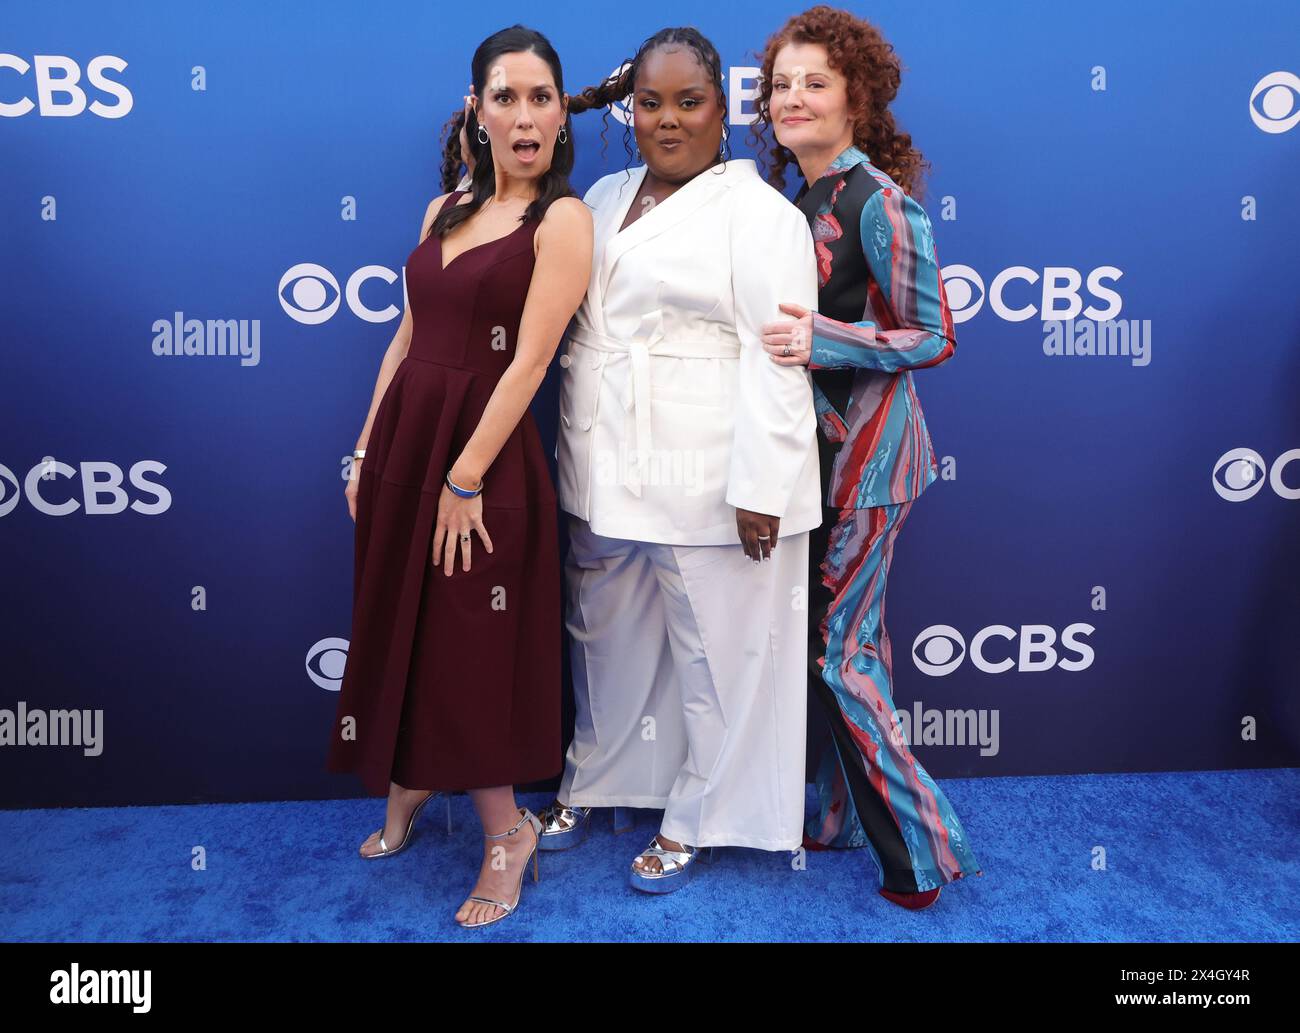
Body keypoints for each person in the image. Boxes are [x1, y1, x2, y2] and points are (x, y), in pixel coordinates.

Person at [537, 27, 823, 893]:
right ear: (630, 108)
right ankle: (604, 775)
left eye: (688, 102)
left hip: (709, 471)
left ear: (724, 110)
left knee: (718, 650)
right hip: (602, 459)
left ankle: (703, 815)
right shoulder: (605, 192)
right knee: (606, 635)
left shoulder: (761, 214)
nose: (667, 120)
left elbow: (779, 357)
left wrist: (764, 485)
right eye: (650, 102)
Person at [325, 25, 593, 928]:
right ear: (477, 112)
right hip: (407, 441)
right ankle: (409, 780)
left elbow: (528, 361)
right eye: (506, 97)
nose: (524, 115)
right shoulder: (443, 208)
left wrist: (466, 476)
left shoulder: (562, 219)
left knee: (470, 646)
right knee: (399, 617)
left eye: (541, 98)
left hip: (485, 455)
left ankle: (505, 828)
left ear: (562, 115)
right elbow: (405, 338)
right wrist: (366, 448)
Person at [751, 5, 983, 910]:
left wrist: (823, 337)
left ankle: (923, 852)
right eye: (781, 84)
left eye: (816, 82)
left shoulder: (879, 199)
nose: (793, 98)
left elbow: (934, 337)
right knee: (848, 648)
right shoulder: (799, 201)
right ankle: (844, 815)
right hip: (819, 461)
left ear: (857, 98)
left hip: (872, 467)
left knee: (839, 657)